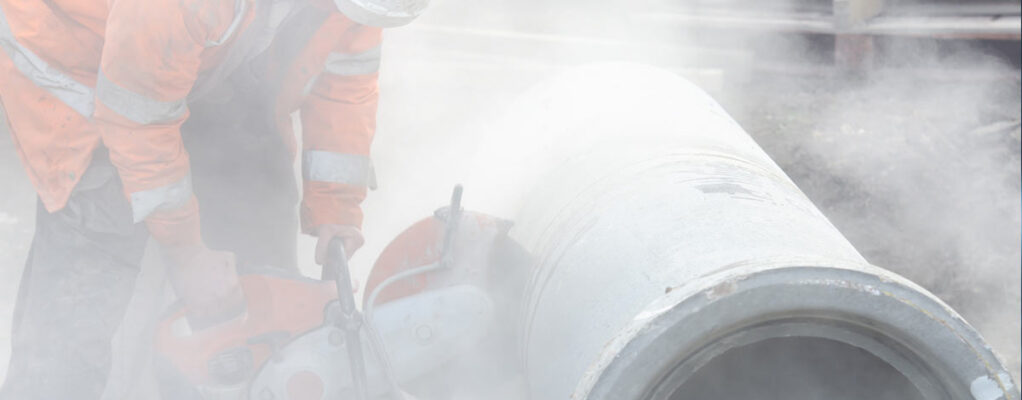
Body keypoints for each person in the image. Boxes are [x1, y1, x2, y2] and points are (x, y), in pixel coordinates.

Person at [0, 0, 428, 397]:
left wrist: (336, 206)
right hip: (80, 64)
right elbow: (137, 119)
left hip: (191, 55)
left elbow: (346, 76)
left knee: (258, 223)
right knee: (93, 261)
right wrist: (187, 255)